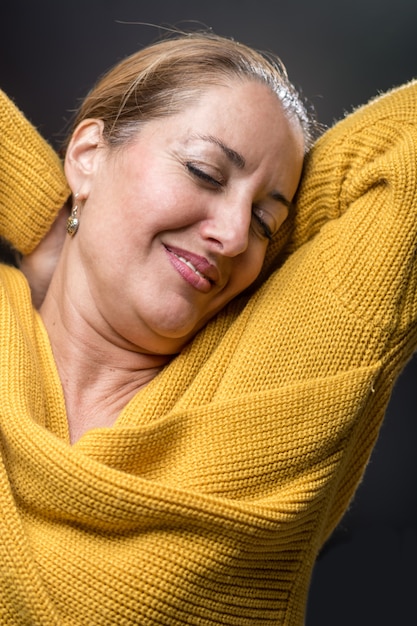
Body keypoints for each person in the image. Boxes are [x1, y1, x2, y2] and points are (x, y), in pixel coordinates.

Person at [0, 31, 416, 626]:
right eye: (205, 172)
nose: (236, 235)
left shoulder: (262, 393)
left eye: (267, 223)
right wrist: (50, 218)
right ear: (89, 153)